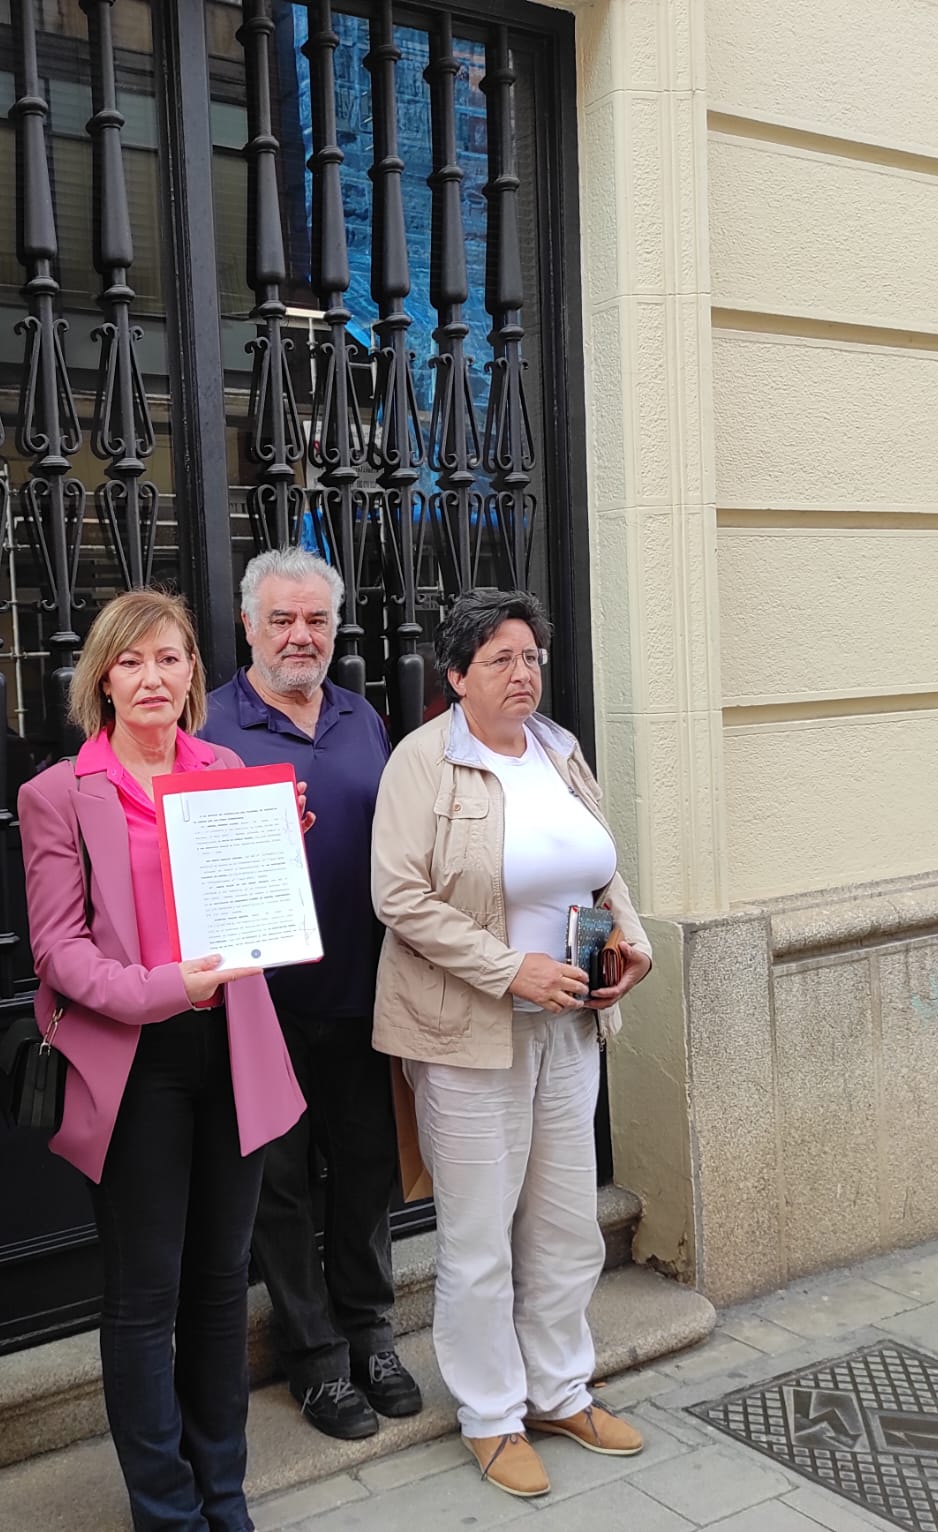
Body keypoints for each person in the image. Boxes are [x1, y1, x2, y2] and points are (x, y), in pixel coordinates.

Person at [18, 589, 306, 1532]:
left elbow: (254, 916)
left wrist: (279, 852)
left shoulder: (227, 767)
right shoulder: (60, 792)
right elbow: (58, 952)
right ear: (102, 675)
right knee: (146, 1298)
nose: (154, 677)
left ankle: (224, 1498)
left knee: (222, 1285)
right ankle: (165, 1512)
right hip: (137, 1062)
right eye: (133, 661)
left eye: (172, 659)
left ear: (193, 675)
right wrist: (162, 989)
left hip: (235, 1051)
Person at [370, 588, 655, 1500]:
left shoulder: (561, 750)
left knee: (567, 1224)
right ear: (456, 677)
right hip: (466, 1037)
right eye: (499, 660)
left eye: (530, 657)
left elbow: (601, 868)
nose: (523, 674)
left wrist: (632, 937)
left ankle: (560, 1389)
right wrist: (509, 970)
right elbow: (400, 898)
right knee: (479, 1234)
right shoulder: (424, 762)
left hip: (569, 1028)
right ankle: (491, 1416)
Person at [195, 549, 419, 1440]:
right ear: (248, 625)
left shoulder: (365, 719)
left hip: (363, 991)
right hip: (259, 1006)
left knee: (366, 1176)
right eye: (282, 620)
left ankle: (372, 1333)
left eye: (317, 620)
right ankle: (315, 1359)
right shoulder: (205, 723)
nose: (301, 636)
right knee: (280, 1189)